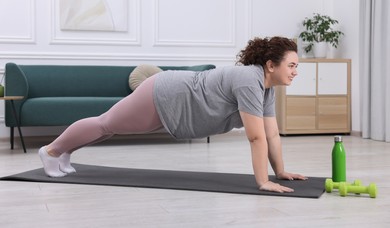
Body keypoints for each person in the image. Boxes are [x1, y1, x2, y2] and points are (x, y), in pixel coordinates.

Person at [39, 36, 307, 193]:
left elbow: (271, 132)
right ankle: (51, 151)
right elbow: (256, 138)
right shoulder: (249, 79)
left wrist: (280, 172)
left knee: (108, 127)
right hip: (167, 94)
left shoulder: (266, 88)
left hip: (176, 100)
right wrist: (263, 182)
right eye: (291, 65)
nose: (295, 71)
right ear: (271, 65)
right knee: (106, 123)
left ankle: (65, 152)